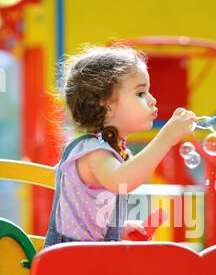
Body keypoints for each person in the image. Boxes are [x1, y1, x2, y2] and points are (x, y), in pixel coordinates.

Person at [44, 44, 198, 248]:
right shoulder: (94, 152)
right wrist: (165, 139)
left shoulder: (106, 149)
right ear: (106, 104)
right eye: (141, 93)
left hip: (84, 259)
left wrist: (118, 228)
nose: (152, 100)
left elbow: (88, 211)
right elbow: (122, 180)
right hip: (70, 264)